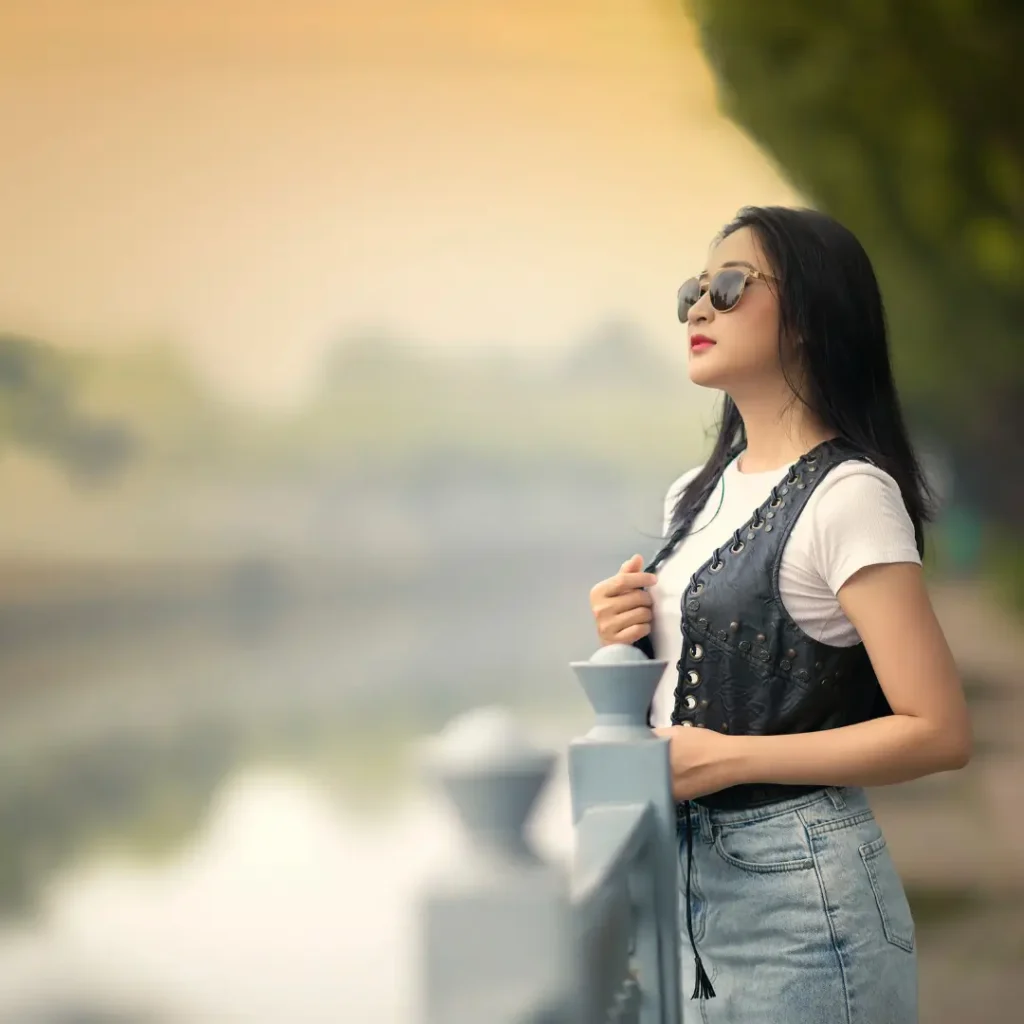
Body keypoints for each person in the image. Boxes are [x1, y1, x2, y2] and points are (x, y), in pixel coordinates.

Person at [587, 206, 971, 1023]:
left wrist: (730, 759)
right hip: (684, 891)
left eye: (729, 287)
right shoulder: (694, 494)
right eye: (693, 290)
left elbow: (938, 730)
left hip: (801, 904)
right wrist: (625, 630)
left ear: (808, 314)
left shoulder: (849, 495)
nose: (698, 308)